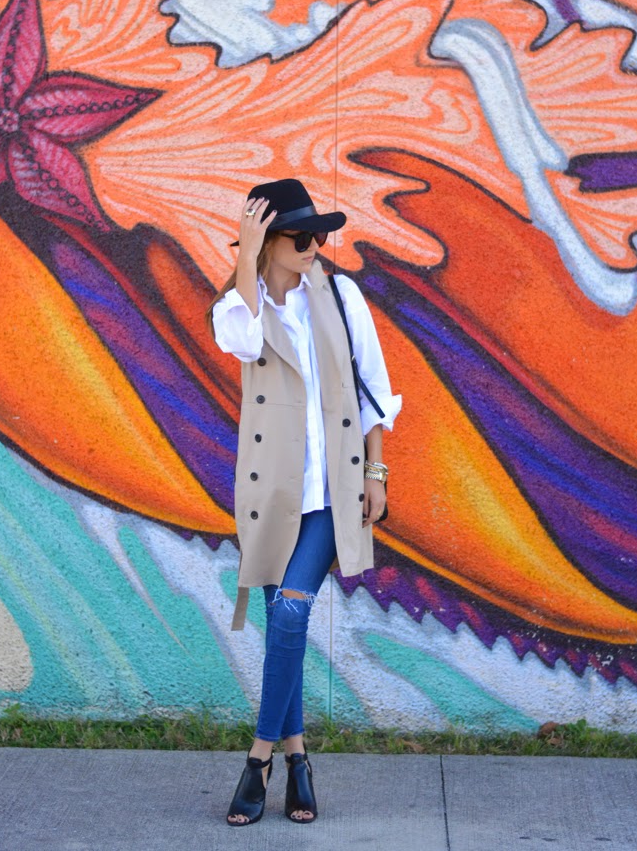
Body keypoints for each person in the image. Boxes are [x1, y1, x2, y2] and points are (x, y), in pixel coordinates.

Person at [208, 178, 401, 826]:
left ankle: (257, 760)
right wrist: (247, 259)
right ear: (267, 242)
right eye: (300, 236)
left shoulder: (342, 296)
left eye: (319, 234)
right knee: (283, 630)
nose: (315, 245)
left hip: (332, 492)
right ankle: (299, 762)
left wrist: (376, 471)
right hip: (272, 494)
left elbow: (374, 389)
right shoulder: (239, 309)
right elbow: (242, 340)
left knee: (290, 614)